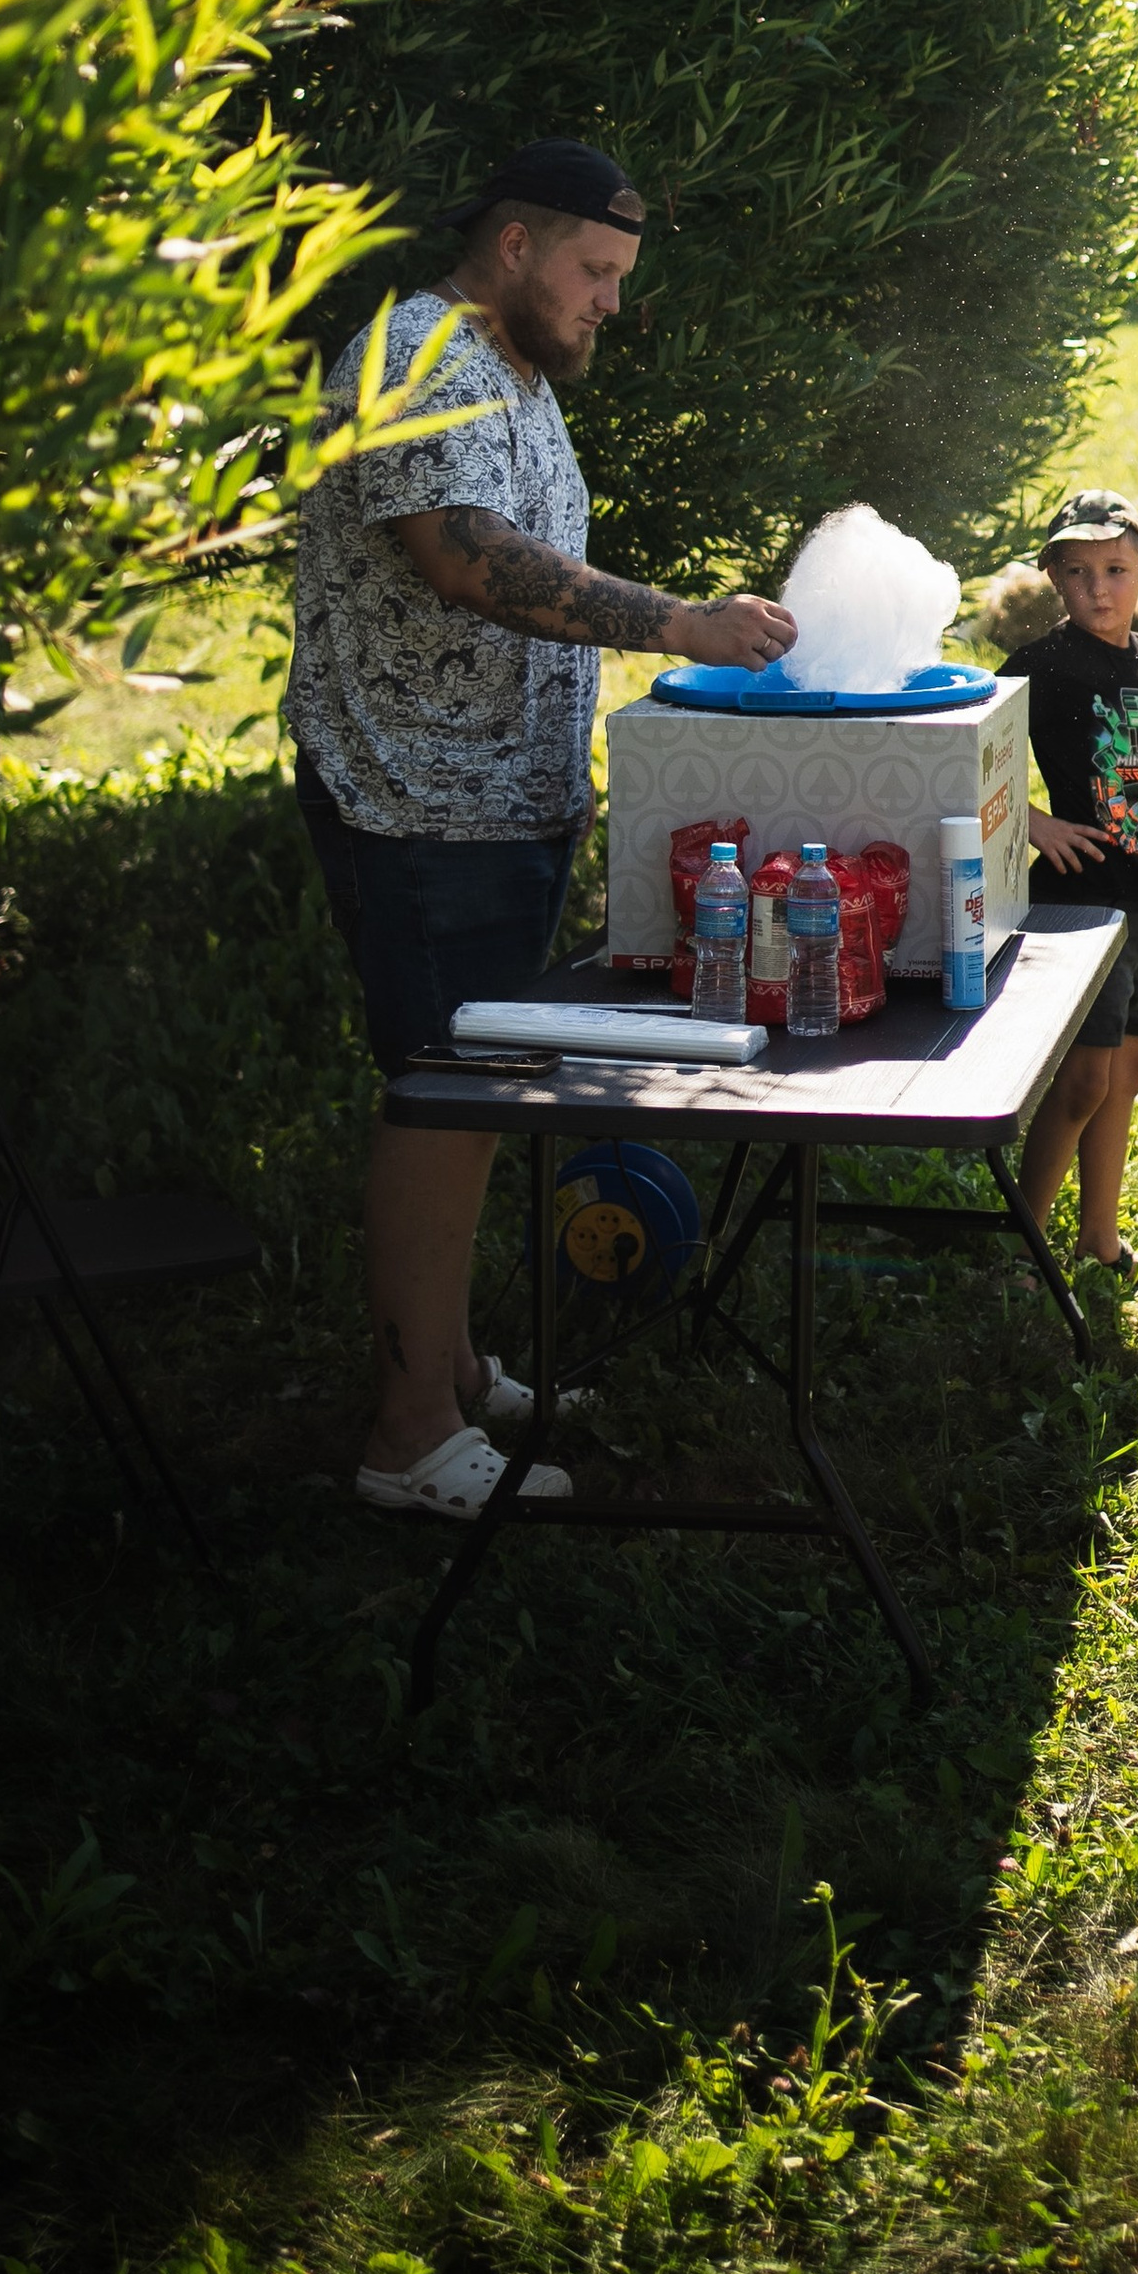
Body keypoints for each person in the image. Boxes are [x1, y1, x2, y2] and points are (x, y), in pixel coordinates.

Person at [286, 140, 798, 1522]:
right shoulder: (419, 354)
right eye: (596, 270)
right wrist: (677, 624)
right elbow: (466, 556)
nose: (612, 302)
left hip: (495, 807)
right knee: (439, 1099)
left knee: (477, 1096)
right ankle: (407, 1436)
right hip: (417, 807)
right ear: (514, 244)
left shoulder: (505, 369)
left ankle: (453, 1371)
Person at [1014, 489, 1138, 1284]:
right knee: (1083, 1079)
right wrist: (1032, 823)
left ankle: (1101, 1242)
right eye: (1077, 572)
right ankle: (1023, 1248)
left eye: (1115, 570)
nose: (1098, 589)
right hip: (1079, 903)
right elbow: (966, 756)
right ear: (1053, 578)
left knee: (1128, 1070)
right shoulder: (1040, 666)